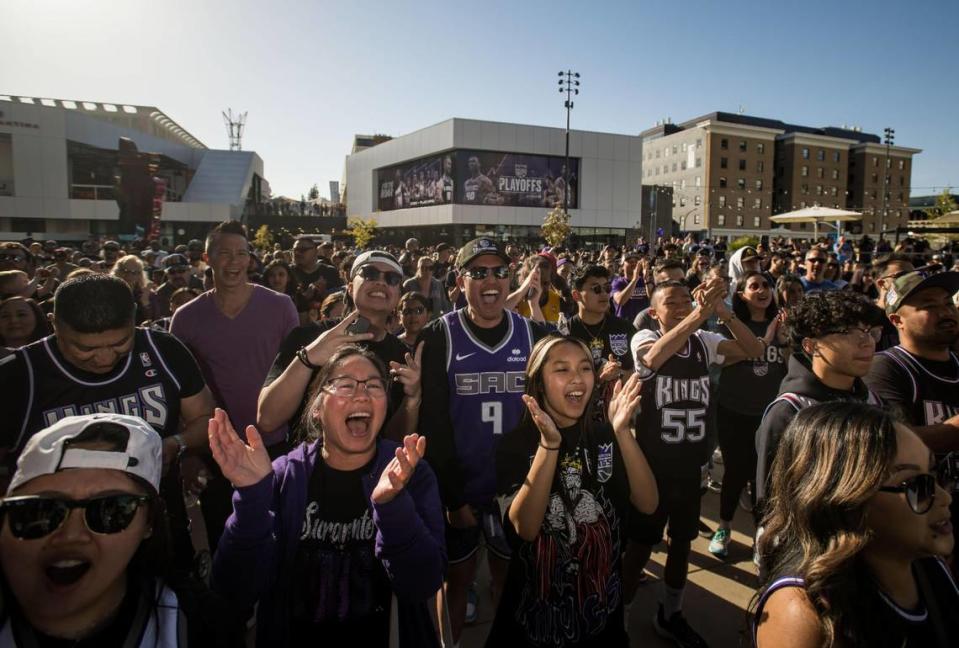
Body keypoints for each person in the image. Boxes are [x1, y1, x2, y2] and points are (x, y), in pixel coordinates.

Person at [211, 346, 445, 647]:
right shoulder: (284, 477)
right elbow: (234, 588)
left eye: (374, 385)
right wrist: (251, 499)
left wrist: (393, 505)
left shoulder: (410, 473)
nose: (361, 395)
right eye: (346, 384)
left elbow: (423, 583)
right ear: (317, 408)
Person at [0, 274, 215, 574]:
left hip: (157, 529)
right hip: (58, 542)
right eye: (84, 348)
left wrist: (175, 445)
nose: (103, 358)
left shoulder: (163, 349)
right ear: (53, 324)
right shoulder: (17, 377)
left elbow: (206, 419)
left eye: (119, 343)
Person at [0, 413, 244, 647]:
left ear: (149, 522)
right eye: (40, 512)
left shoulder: (200, 625)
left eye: (111, 510)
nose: (71, 535)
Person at [417, 238, 548, 643]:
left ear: (511, 278)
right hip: (462, 490)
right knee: (455, 581)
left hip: (516, 490)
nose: (491, 280)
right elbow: (432, 425)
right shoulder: (439, 335)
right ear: (460, 281)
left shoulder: (536, 335)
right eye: (478, 272)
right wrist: (454, 500)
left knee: (510, 580)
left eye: (499, 271)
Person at [488, 336, 658, 646]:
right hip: (534, 625)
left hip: (602, 621)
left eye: (584, 368)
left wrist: (622, 432)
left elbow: (648, 503)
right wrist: (549, 445)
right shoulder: (515, 445)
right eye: (562, 369)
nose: (577, 378)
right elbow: (525, 528)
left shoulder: (607, 436)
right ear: (538, 383)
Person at [626, 277, 765, 647]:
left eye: (688, 298)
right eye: (672, 301)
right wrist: (699, 316)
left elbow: (754, 350)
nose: (684, 304)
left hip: (691, 463)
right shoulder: (644, 337)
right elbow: (652, 360)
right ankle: (616, 613)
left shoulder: (705, 342)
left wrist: (723, 312)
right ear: (654, 313)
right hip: (652, 465)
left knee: (682, 542)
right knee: (640, 544)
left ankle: (671, 612)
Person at [753, 402, 958, 647]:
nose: (945, 498)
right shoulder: (804, 612)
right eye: (917, 486)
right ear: (848, 500)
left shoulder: (931, 568)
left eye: (935, 475)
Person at [171, 220, 300, 550]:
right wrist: (189, 454)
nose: (234, 262)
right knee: (225, 544)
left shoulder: (281, 307)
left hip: (275, 445)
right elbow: (178, 395)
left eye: (241, 254)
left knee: (278, 543)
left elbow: (298, 378)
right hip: (217, 450)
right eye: (225, 254)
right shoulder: (185, 319)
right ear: (207, 258)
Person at [259, 250, 422, 442]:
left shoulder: (402, 356)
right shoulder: (308, 337)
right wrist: (308, 358)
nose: (381, 281)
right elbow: (267, 419)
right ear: (350, 287)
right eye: (369, 273)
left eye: (392, 278)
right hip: (309, 467)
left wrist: (412, 399)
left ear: (397, 296)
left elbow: (395, 440)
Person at [754, 290, 886, 515]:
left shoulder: (873, 401)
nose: (867, 342)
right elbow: (771, 504)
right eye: (847, 332)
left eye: (868, 331)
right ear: (811, 345)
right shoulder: (788, 413)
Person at [707, 271, 788, 559]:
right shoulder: (729, 326)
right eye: (754, 286)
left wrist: (783, 340)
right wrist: (759, 344)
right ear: (741, 294)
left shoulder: (780, 325)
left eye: (767, 284)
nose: (763, 290)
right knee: (735, 471)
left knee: (765, 477)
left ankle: (761, 535)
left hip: (769, 414)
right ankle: (724, 526)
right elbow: (725, 358)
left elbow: (790, 366)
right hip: (733, 410)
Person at [562, 264, 636, 420]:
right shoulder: (565, 333)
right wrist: (599, 378)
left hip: (618, 417)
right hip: (577, 417)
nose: (604, 294)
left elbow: (636, 372)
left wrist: (618, 374)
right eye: (596, 289)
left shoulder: (625, 328)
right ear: (576, 296)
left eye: (607, 288)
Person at [611, 252, 651, 323]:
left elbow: (652, 298)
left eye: (636, 262)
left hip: (643, 323)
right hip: (624, 324)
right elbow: (620, 301)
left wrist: (646, 280)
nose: (634, 264)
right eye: (630, 262)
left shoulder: (644, 281)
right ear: (622, 266)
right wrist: (634, 280)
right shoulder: (617, 282)